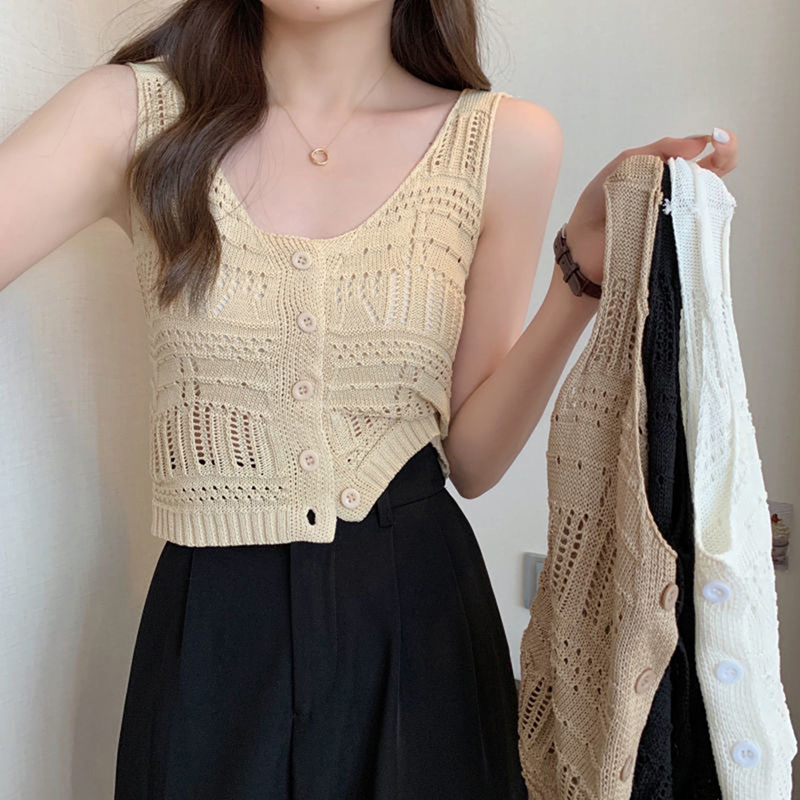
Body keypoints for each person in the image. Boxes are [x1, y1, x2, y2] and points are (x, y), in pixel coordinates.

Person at [0, 1, 739, 798]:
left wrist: (579, 278)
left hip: (418, 630)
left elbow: (471, 459)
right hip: (215, 644)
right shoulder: (129, 115)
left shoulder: (503, 142)